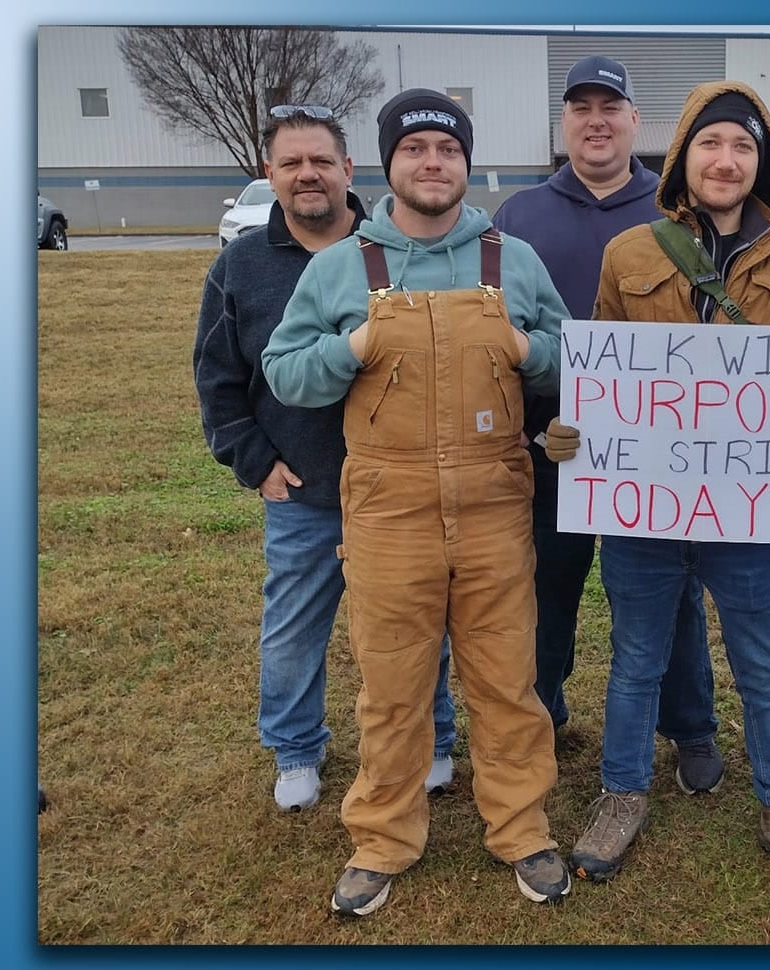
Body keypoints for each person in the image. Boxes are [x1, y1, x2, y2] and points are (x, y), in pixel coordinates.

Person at [544, 81, 770, 905]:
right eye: (711, 145)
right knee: (635, 662)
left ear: (761, 167)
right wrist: (575, 434)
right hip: (644, 514)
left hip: (752, 516)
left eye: (743, 149)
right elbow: (604, 379)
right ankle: (621, 795)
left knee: (763, 665)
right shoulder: (632, 254)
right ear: (684, 160)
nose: (726, 162)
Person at [262, 89, 571, 916]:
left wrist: (527, 348)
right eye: (415, 149)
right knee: (392, 686)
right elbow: (283, 370)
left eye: (447, 149)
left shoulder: (513, 259)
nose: (432, 163)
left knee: (507, 680)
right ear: (389, 164)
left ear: (466, 164)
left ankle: (522, 828)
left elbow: (577, 358)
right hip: (387, 510)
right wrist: (353, 345)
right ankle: (382, 838)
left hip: (494, 504)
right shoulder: (339, 267)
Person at [194, 105, 459, 814]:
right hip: (306, 492)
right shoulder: (241, 268)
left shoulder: (405, 251)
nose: (307, 175)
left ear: (349, 170)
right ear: (271, 176)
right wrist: (253, 462)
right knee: (293, 630)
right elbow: (218, 377)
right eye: (291, 164)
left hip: (405, 490)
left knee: (416, 625)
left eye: (321, 161)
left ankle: (434, 739)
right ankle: (296, 749)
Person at [491, 55, 723, 793]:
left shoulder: (677, 212)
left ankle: (689, 728)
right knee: (544, 587)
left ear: (634, 122)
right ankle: (543, 713)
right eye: (581, 107)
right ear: (564, 122)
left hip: (655, 453)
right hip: (547, 445)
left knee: (671, 593)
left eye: (610, 107)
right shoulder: (518, 216)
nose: (596, 120)